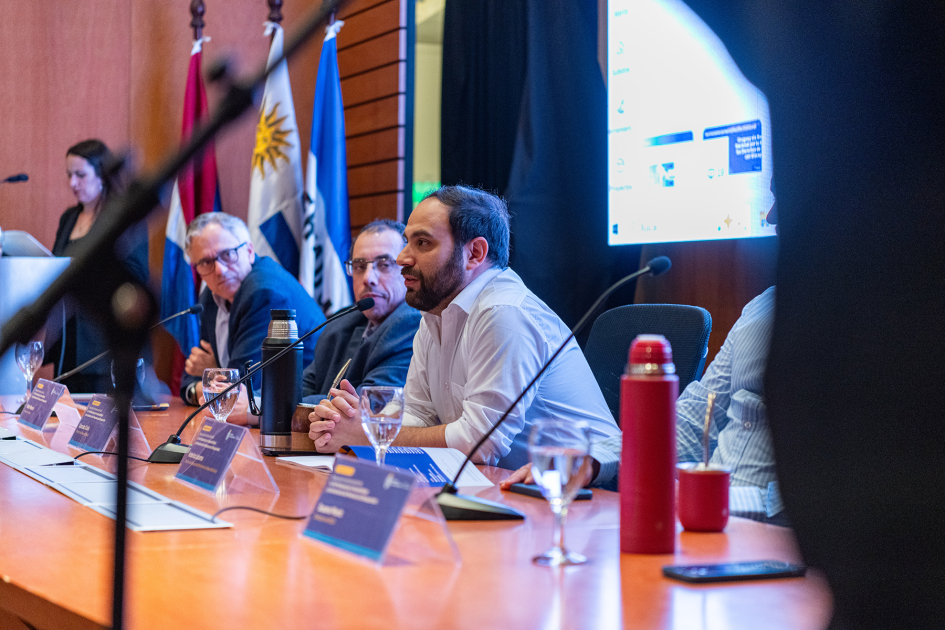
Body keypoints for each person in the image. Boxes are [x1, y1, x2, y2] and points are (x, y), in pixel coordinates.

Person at [306, 185, 620, 470]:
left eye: (422, 243)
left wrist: (368, 435)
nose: (402, 258)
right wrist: (357, 421)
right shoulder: (435, 315)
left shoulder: (503, 312)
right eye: (407, 243)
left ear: (474, 254)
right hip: (502, 487)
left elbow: (480, 442)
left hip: (585, 495)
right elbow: (420, 416)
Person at [180, 212, 325, 410]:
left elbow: (242, 390)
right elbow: (191, 377)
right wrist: (212, 379)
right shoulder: (211, 297)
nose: (220, 270)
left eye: (227, 254)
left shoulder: (264, 293)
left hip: (301, 411)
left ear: (249, 251)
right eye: (206, 262)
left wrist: (214, 373)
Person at [47, 139, 149, 393]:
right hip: (67, 339)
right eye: (69, 175)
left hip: (100, 341)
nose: (73, 183)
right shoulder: (69, 218)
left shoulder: (121, 218)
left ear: (102, 175)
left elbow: (136, 276)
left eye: (80, 175)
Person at [301, 219, 420, 402]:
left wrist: (271, 407)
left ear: (408, 270)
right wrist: (262, 403)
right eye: (359, 267)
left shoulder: (411, 324)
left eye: (384, 265)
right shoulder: (341, 323)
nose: (368, 278)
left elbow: (368, 404)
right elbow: (301, 389)